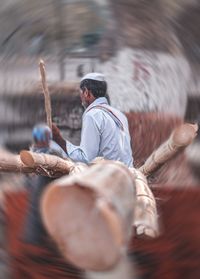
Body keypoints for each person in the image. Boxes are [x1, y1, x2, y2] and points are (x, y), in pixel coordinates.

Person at [53, 72, 133, 167]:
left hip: (111, 176)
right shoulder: (120, 115)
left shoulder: (92, 115)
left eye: (81, 93)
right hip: (129, 173)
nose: (81, 98)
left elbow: (85, 159)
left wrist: (58, 139)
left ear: (86, 92)